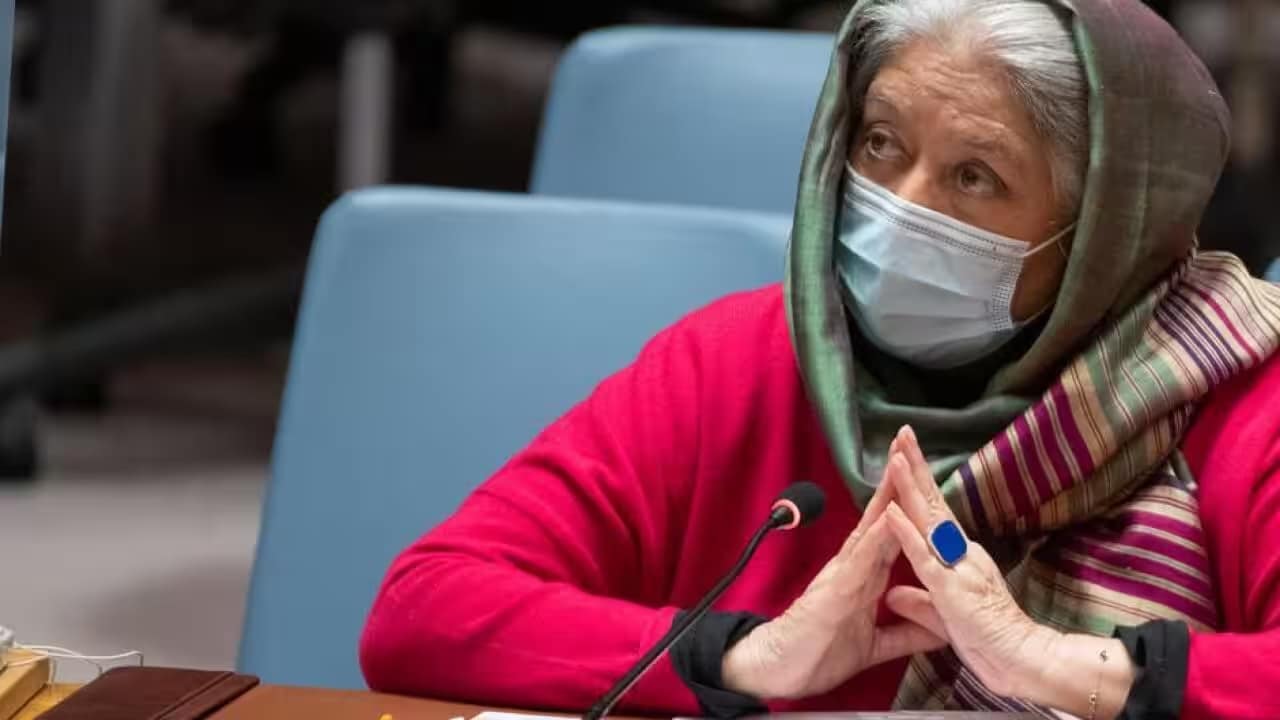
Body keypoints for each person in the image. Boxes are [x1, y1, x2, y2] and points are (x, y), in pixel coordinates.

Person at [359, 0, 1280, 717]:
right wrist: (740, 658)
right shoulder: (741, 359)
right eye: (880, 146)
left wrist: (1061, 665)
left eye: (975, 176)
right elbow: (421, 611)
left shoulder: (1234, 391)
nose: (902, 207)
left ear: (1106, 234)